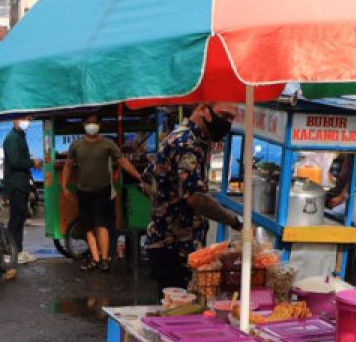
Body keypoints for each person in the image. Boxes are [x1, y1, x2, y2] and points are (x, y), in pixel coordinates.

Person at [143, 103, 244, 290]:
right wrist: (234, 222)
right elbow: (196, 198)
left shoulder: (181, 137)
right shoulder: (188, 145)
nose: (226, 123)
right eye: (223, 115)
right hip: (174, 248)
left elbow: (146, 182)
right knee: (180, 311)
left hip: (167, 243)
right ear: (204, 110)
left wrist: (166, 201)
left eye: (231, 118)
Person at [63, 113, 143, 272]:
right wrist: (64, 186)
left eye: (94, 122)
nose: (91, 125)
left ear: (100, 125)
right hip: (83, 191)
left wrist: (139, 176)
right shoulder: (76, 145)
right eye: (88, 122)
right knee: (87, 227)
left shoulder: (108, 144)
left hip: (102, 190)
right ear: (84, 124)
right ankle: (95, 258)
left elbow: (123, 161)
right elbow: (68, 165)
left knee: (101, 224)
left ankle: (105, 259)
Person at [2, 117, 41, 265]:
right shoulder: (12, 138)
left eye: (29, 119)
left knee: (20, 218)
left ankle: (18, 250)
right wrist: (33, 162)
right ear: (15, 120)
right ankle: (11, 251)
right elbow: (16, 162)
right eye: (24, 118)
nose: (27, 121)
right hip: (16, 184)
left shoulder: (20, 136)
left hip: (21, 184)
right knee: (16, 219)